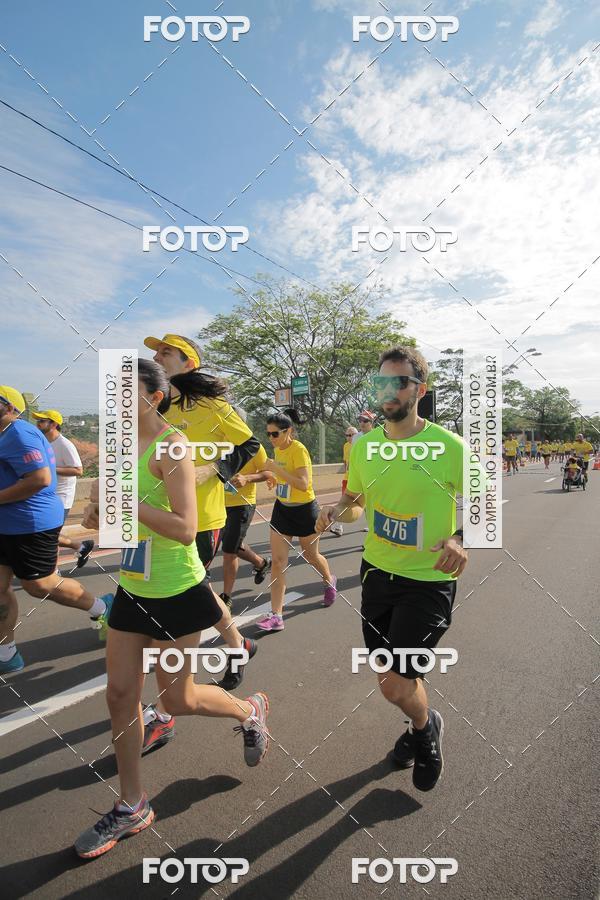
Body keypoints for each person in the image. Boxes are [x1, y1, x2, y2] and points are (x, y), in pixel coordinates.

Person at [74, 359, 269, 859]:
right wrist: (101, 513)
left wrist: (128, 501)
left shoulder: (173, 446)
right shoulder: (118, 448)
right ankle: (132, 804)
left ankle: (250, 711)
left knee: (177, 700)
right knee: (120, 695)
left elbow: (185, 528)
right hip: (135, 586)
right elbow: (114, 526)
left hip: (178, 590)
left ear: (154, 397)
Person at [317, 346, 469, 793]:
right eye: (380, 382)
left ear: (419, 390)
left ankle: (423, 732)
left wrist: (460, 538)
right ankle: (424, 719)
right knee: (391, 682)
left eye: (397, 382)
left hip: (427, 582)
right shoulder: (365, 447)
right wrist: (335, 512)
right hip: (376, 575)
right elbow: (356, 504)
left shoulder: (448, 447)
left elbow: (485, 507)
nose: (386, 390)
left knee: (399, 682)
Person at [141, 334, 261, 749]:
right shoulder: (156, 405)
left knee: (177, 605)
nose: (156, 357)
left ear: (188, 362)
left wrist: (215, 467)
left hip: (200, 520)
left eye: (165, 352)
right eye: (155, 353)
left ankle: (165, 710)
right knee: (191, 594)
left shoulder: (209, 405)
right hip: (153, 523)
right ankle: (237, 643)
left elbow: (250, 443)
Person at [0, 386, 112, 675]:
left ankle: (102, 608)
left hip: (30, 523)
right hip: (4, 524)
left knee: (39, 586)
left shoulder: (19, 433)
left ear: (9, 408)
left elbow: (39, 478)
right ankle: (6, 653)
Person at [256, 408, 337, 631]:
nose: (271, 438)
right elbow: (284, 477)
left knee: (311, 555)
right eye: (268, 434)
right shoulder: (279, 451)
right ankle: (276, 615)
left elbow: (303, 483)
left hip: (304, 511)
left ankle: (329, 580)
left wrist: (275, 470)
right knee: (278, 562)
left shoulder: (298, 450)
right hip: (282, 510)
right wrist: (274, 478)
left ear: (288, 431)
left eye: (275, 434)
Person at [33, 410, 94, 568]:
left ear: (53, 424)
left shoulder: (65, 445)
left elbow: (78, 470)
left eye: (42, 421)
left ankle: (53, 570)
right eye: (38, 420)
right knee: (43, 533)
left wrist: (51, 468)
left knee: (50, 535)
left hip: (61, 497)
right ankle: (80, 547)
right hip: (44, 495)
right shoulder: (41, 442)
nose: (37, 423)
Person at [220, 437, 273, 614]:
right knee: (231, 543)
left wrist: (247, 478)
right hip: (217, 503)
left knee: (229, 550)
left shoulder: (254, 446)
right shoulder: (217, 442)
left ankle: (226, 597)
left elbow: (267, 473)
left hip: (242, 504)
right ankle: (261, 562)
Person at [330, 426, 358, 538]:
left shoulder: (361, 445)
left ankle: (372, 527)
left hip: (360, 480)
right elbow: (345, 462)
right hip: (347, 479)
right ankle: (339, 527)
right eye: (347, 435)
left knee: (366, 505)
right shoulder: (346, 446)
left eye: (351, 435)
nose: (349, 437)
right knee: (342, 502)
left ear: (357, 435)